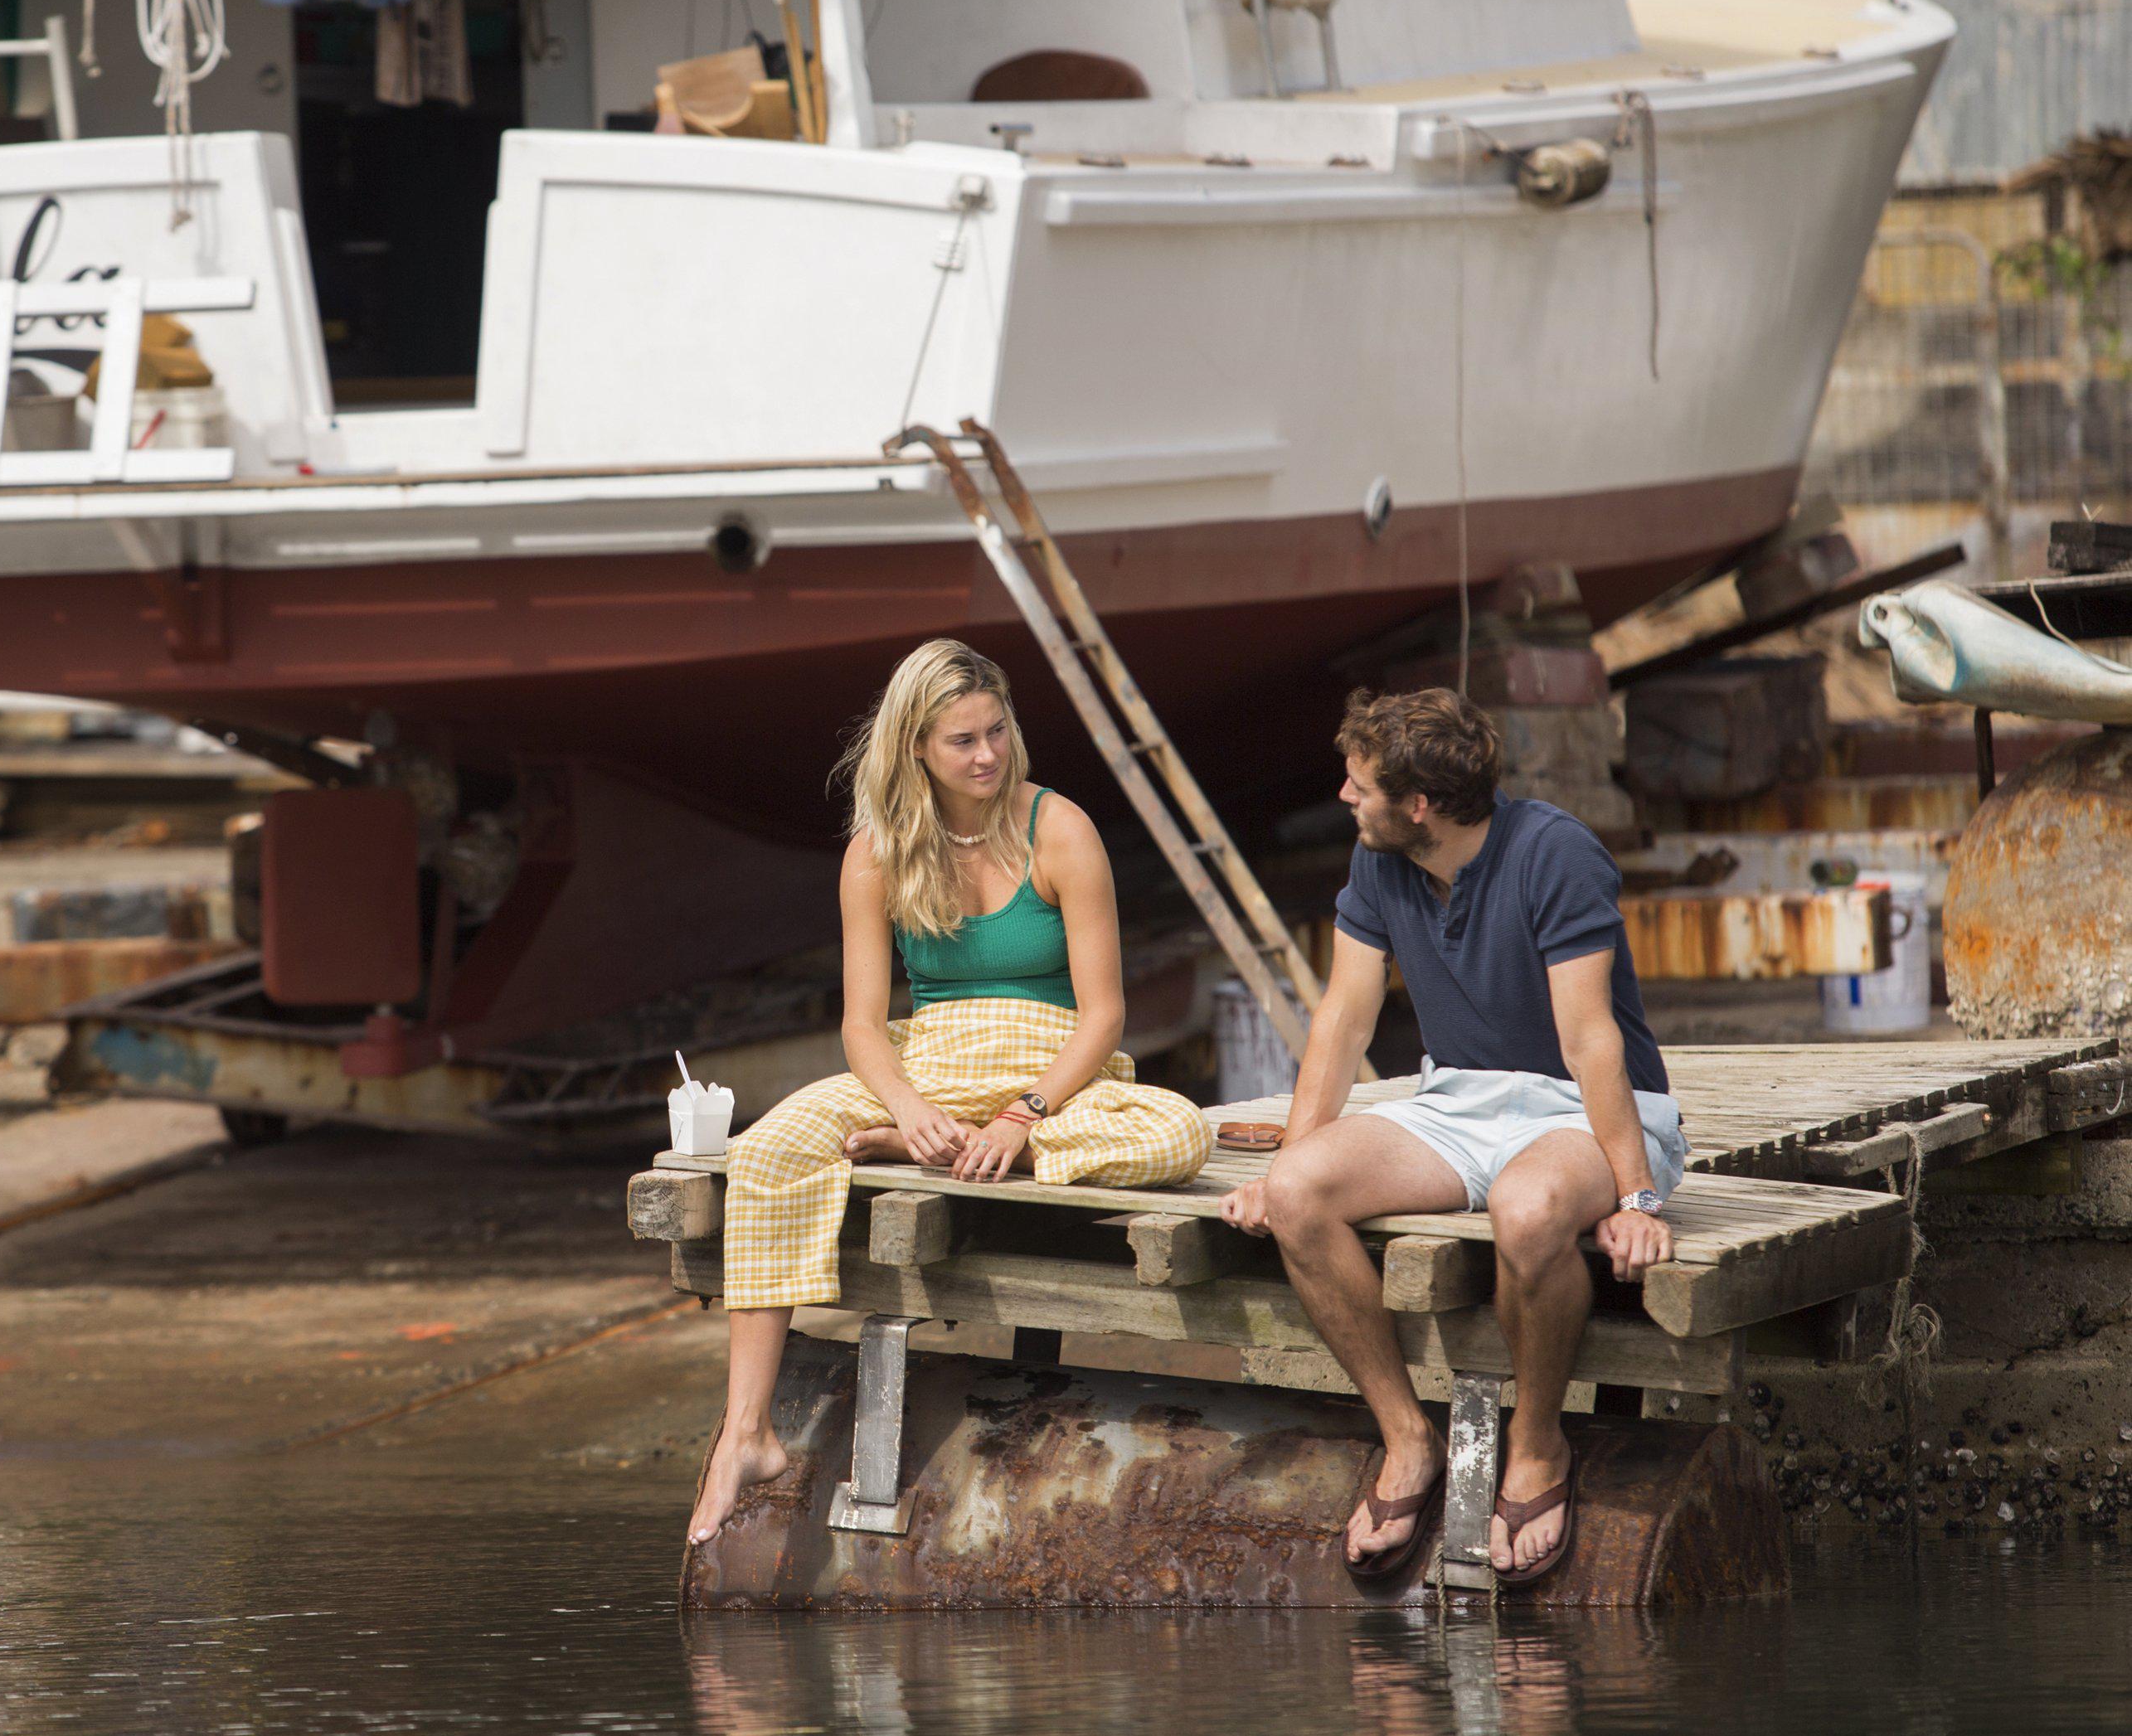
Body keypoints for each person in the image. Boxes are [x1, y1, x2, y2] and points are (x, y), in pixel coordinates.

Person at [686, 638, 1214, 1547]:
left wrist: (1025, 1114)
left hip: (1051, 1068)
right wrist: (903, 1107)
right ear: (916, 750)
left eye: (996, 732)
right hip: (924, 1062)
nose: (985, 756)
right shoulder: (879, 851)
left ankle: (958, 1151)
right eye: (961, 741)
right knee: (767, 1149)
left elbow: (1104, 1017)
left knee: (1178, 1135)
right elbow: (861, 1026)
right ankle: (747, 1433)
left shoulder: (1059, 828)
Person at [1221, 688, 1685, 1587]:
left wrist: (1635, 1196)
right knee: (1296, 1194)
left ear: (1419, 806)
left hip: (1577, 1113)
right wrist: (1282, 1166)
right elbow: (1343, 1021)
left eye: (1360, 786)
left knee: (1527, 1207)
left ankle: (1538, 1444)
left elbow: (1591, 1039)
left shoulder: (1555, 854)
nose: (1346, 798)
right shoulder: (1379, 864)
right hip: (1456, 1102)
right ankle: (1405, 1439)